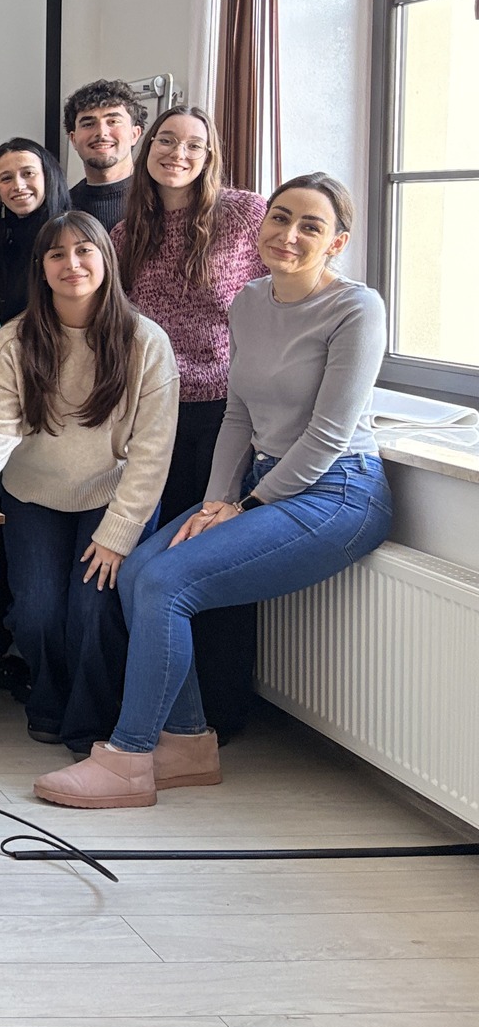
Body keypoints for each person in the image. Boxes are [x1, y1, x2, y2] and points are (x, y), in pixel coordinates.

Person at [36, 174, 390, 809]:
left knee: (167, 583)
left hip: (338, 492)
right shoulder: (250, 300)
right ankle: (188, 745)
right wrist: (216, 502)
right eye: (280, 217)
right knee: (139, 569)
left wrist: (246, 506)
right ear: (261, 224)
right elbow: (238, 414)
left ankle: (128, 758)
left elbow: (329, 434)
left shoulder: (357, 309)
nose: (289, 234)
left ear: (336, 243)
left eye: (310, 226)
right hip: (260, 483)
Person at [0, 211, 178, 752]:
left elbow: (152, 451)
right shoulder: (15, 339)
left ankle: (90, 727)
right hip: (35, 494)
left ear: (106, 259)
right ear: (41, 269)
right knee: (37, 613)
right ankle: (49, 702)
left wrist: (119, 532)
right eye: (57, 254)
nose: (72, 263)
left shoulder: (146, 341)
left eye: (84, 250)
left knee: (93, 612)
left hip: (115, 496)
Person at [112, 104, 268, 737]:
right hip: (156, 417)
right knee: (161, 564)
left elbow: (288, 295)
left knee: (217, 557)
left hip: (230, 415)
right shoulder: (125, 235)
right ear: (147, 148)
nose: (177, 153)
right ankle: (175, 715)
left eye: (193, 145)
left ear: (210, 157)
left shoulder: (246, 214)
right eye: (166, 140)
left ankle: (223, 714)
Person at [0, 138, 71, 323]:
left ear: (48, 178)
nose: (18, 186)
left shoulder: (71, 234)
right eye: (6, 178)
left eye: (28, 173)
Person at [64, 79, 148, 228]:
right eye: (88, 124)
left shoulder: (161, 198)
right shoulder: (63, 208)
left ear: (135, 134)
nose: (101, 132)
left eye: (113, 121)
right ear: (73, 139)